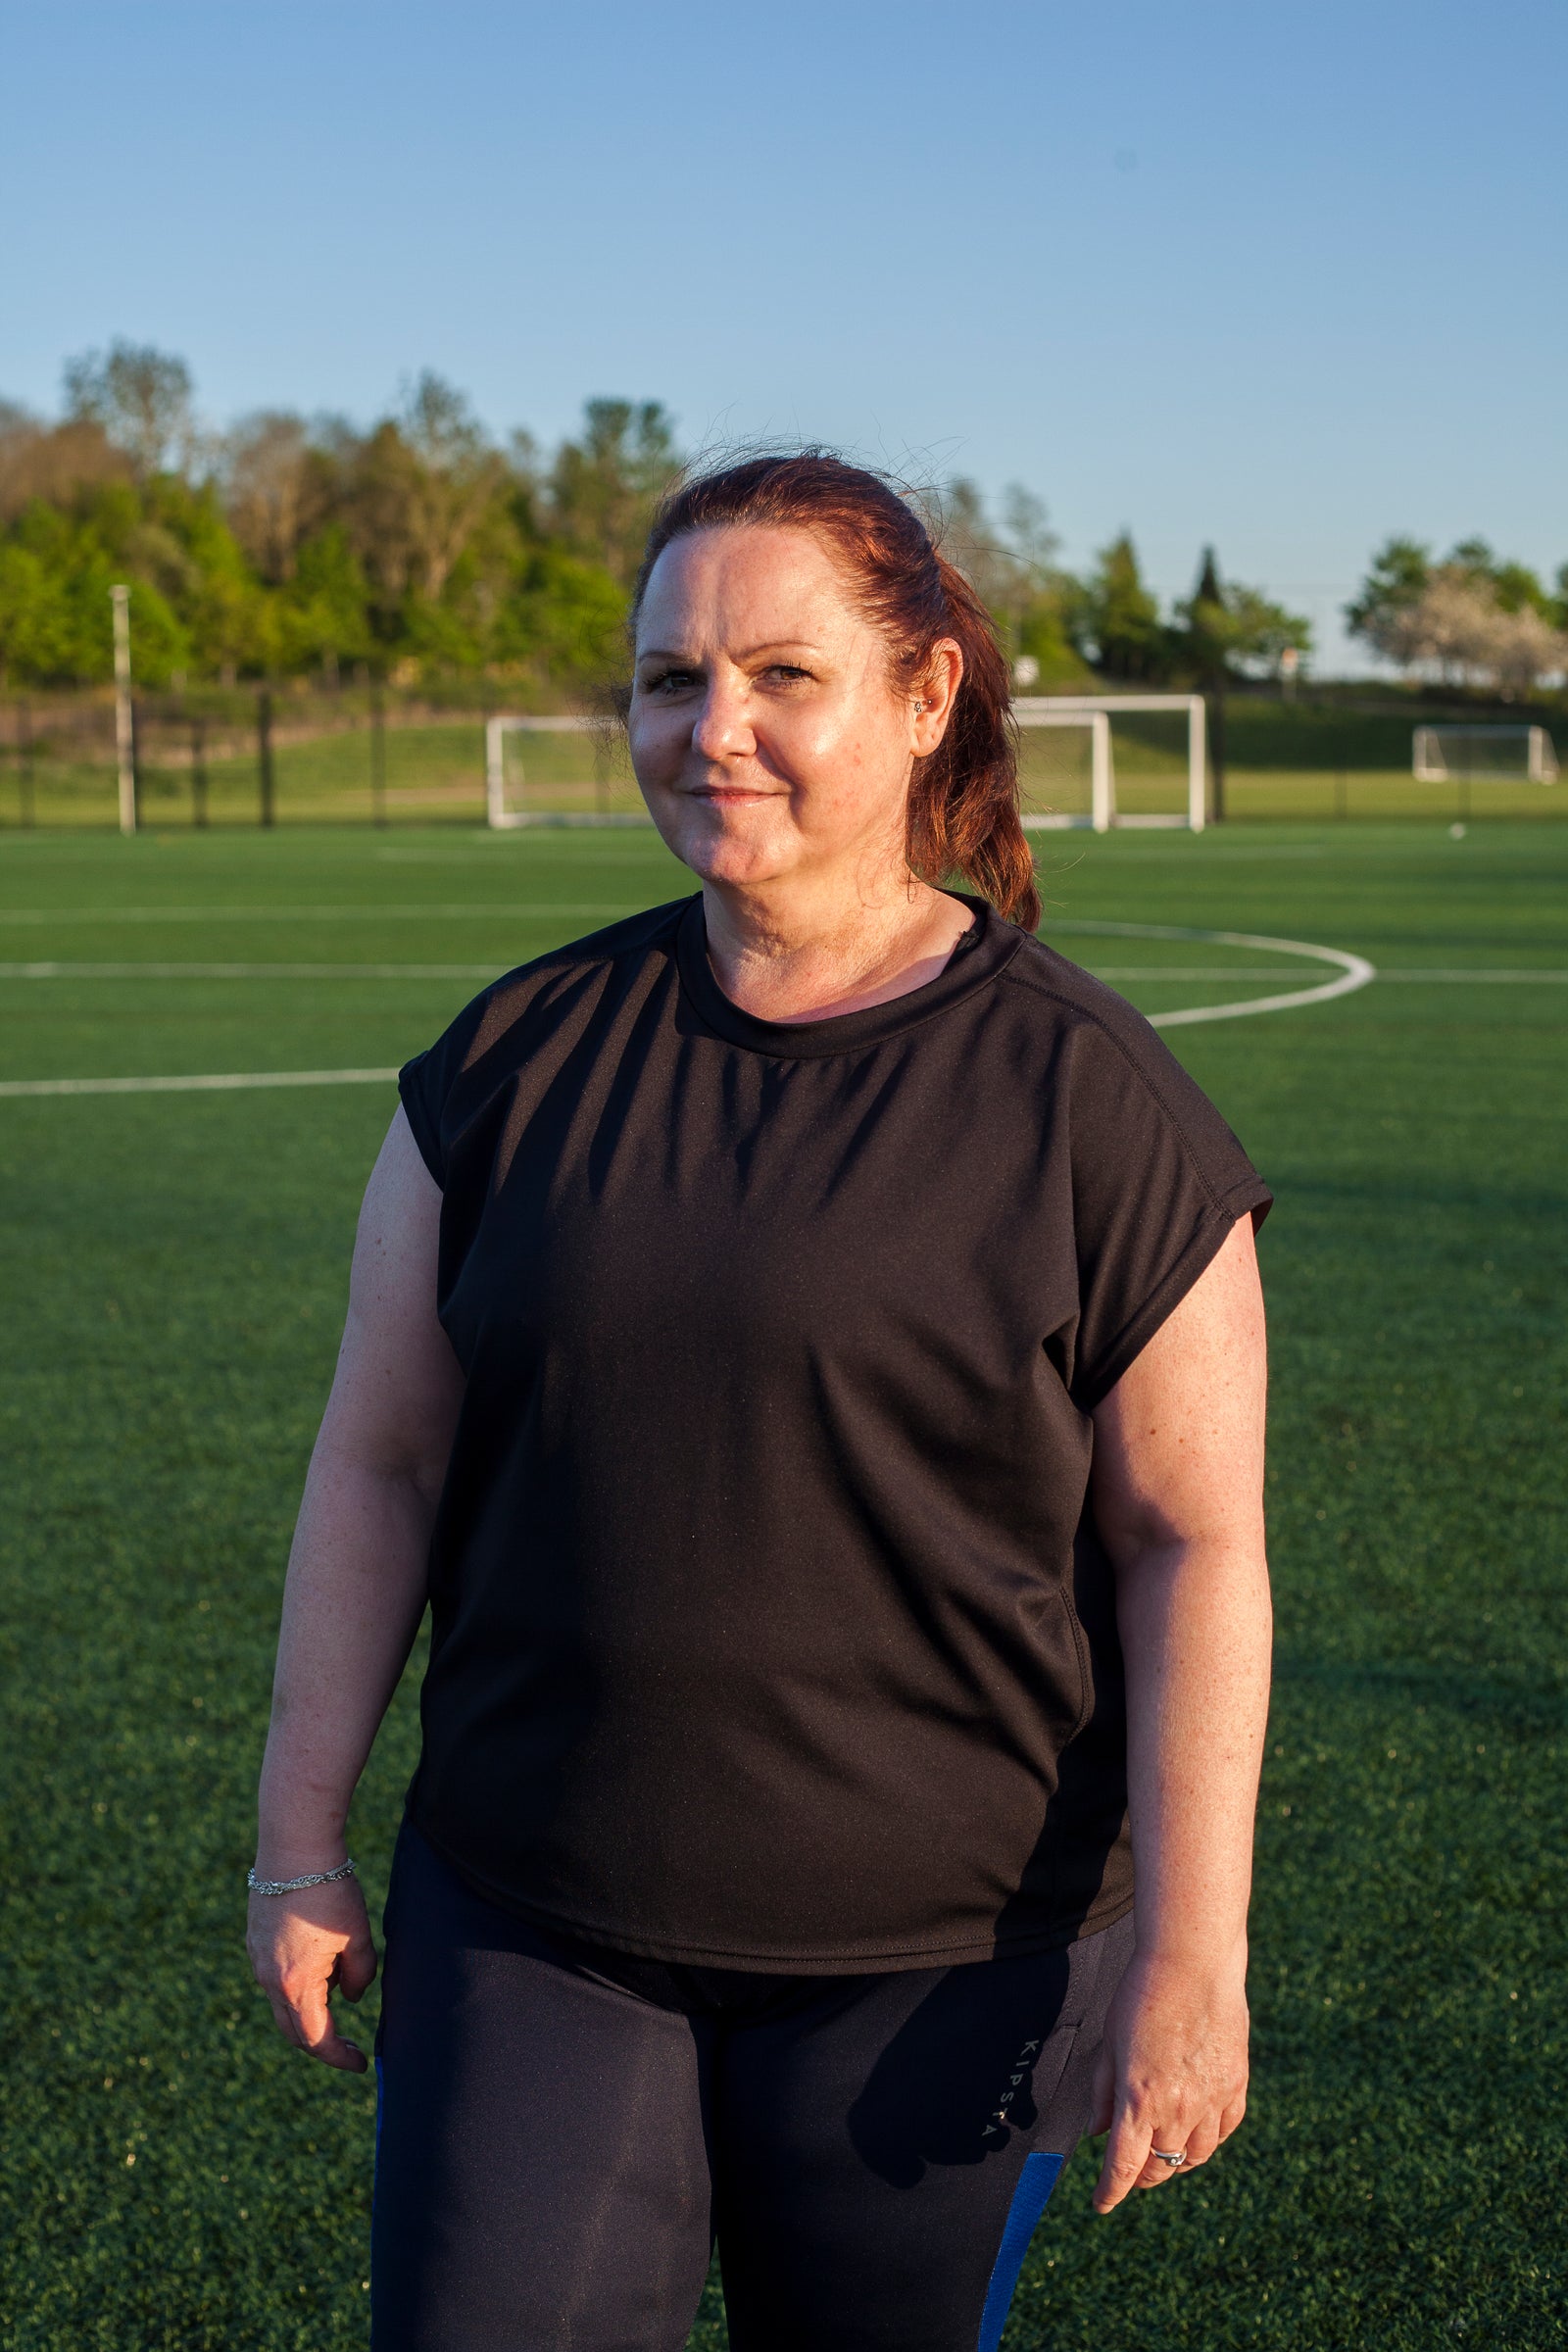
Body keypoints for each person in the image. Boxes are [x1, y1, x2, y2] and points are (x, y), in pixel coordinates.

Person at [247, 454, 1273, 2352]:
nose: (712, 728)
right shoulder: (504, 1066)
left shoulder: (1095, 1107)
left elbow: (1189, 1546)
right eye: (669, 680)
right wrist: (299, 1834)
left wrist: (1197, 1954)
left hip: (940, 1969)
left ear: (924, 695)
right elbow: (380, 1462)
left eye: (782, 675)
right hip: (529, 1921)